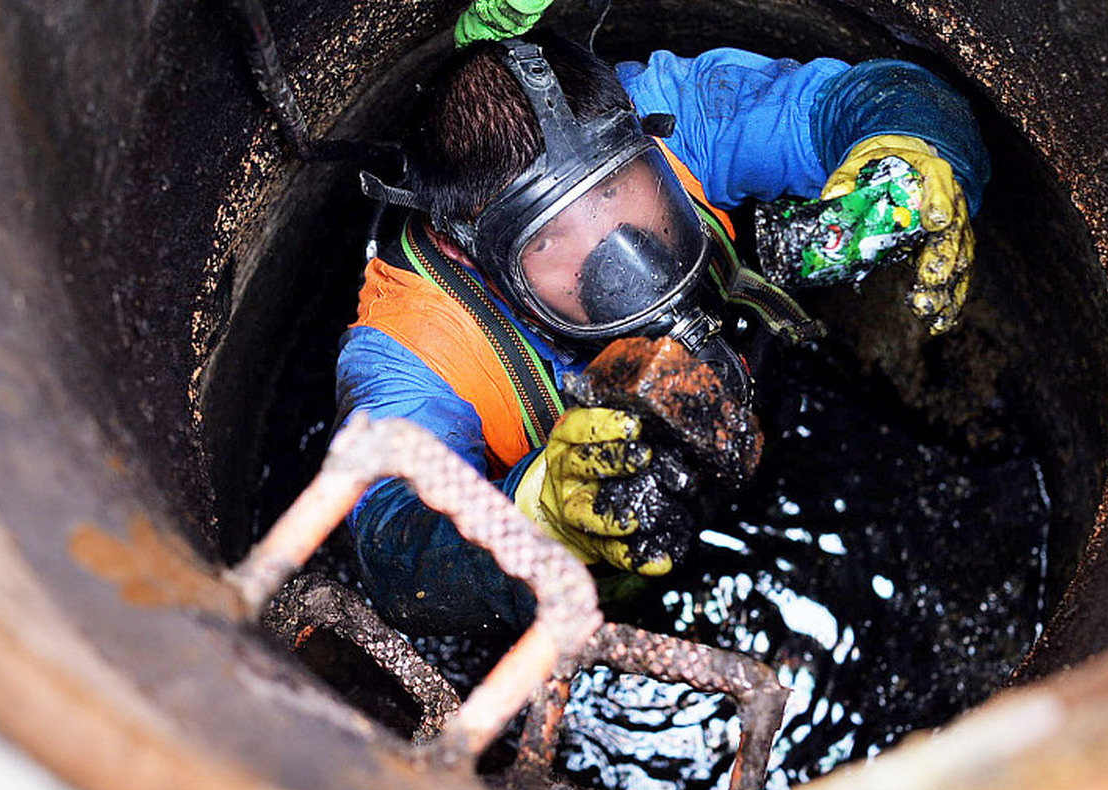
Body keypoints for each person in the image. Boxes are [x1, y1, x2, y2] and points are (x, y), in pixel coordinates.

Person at [337, 33, 989, 636]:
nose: (620, 259)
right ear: (466, 253)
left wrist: (908, 153)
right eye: (548, 238)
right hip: (596, 593)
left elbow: (868, 99)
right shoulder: (411, 344)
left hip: (761, 429)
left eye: (619, 191)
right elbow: (393, 554)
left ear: (639, 130)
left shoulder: (677, 114)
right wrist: (541, 517)